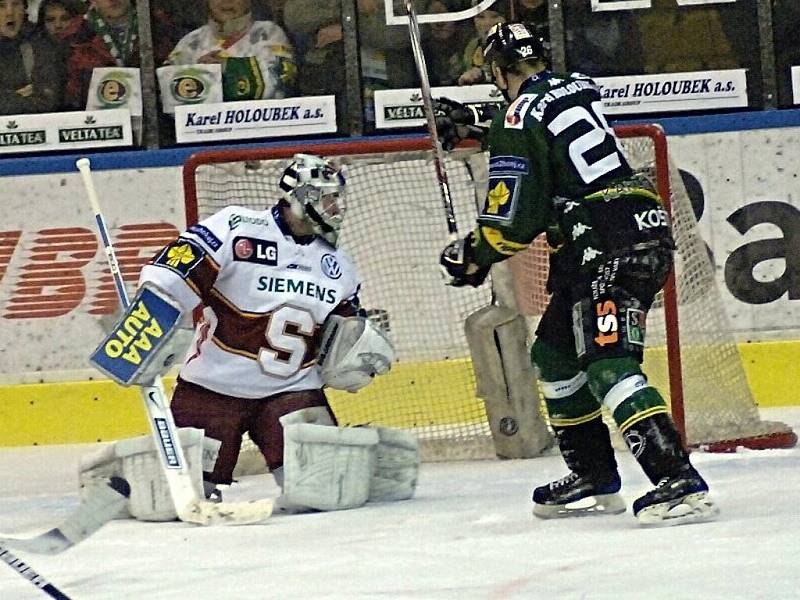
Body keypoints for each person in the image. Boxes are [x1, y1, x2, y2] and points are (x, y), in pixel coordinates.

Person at [435, 22, 718, 526]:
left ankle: (678, 480)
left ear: (498, 71)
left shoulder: (516, 116)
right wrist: (480, 128)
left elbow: (513, 221)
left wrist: (473, 254)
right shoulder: (577, 86)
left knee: (607, 361)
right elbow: (545, 127)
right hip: (629, 227)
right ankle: (594, 475)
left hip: (605, 242)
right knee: (555, 353)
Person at [136, 154, 393, 502]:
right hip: (213, 390)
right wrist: (147, 319)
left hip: (292, 393)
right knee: (178, 496)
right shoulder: (236, 227)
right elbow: (170, 273)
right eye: (328, 197)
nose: (337, 207)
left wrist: (355, 354)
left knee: (328, 492)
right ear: (301, 198)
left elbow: (343, 332)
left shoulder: (339, 266)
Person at [164, 0, 296, 101]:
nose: (227, 1)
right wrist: (198, 75)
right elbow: (167, 92)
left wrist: (226, 69)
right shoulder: (190, 41)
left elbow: (278, 83)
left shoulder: (269, 32)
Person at [62, 0, 173, 110]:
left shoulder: (162, 28)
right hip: (96, 122)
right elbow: (69, 96)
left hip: (155, 119)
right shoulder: (73, 37)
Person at [0, 0, 64, 115]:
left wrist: (8, 96)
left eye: (15, 4)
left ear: (24, 9)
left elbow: (48, 101)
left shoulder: (41, 42)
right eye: (1, 6)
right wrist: (21, 96)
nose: (9, 12)